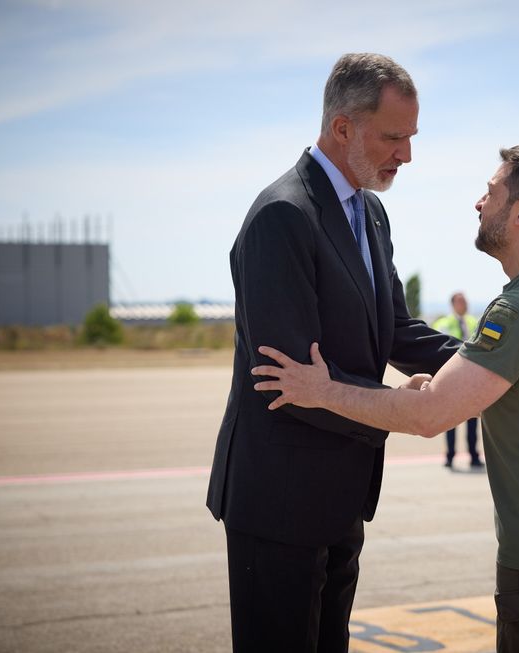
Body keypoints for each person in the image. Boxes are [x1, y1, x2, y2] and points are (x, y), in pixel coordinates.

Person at [252, 145, 519, 652]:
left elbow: (430, 414)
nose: (479, 203)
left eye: (492, 192)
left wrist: (322, 390)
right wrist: (456, 376)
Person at [205, 53, 459, 652]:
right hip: (279, 500)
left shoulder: (368, 212)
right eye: (394, 137)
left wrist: (487, 365)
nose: (407, 154)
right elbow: (286, 377)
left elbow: (395, 330)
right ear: (342, 127)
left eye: (411, 137)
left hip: (341, 493)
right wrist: (395, 407)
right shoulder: (283, 216)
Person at [431, 292, 482, 469]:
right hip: (452, 380)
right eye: (461, 301)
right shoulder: (442, 324)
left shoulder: (474, 322)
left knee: (473, 421)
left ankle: (474, 456)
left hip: (471, 380)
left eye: (466, 301)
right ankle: (450, 456)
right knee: (450, 421)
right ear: (453, 304)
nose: (464, 304)